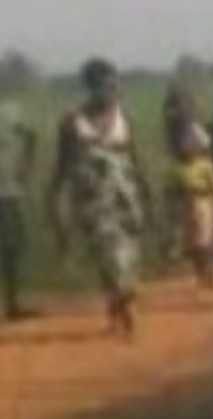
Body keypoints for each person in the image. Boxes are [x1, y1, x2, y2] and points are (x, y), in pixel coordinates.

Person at [48, 58, 154, 338]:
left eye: (115, 85)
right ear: (91, 87)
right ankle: (125, 303)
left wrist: (148, 197)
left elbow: (137, 160)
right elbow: (61, 167)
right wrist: (56, 205)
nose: (112, 91)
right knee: (109, 254)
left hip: (127, 199)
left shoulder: (124, 118)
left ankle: (118, 302)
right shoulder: (72, 123)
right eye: (106, 86)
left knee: (128, 255)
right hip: (93, 203)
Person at [166, 124, 213, 289]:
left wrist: (199, 189)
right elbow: (170, 189)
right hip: (185, 206)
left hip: (202, 204)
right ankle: (200, 271)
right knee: (191, 245)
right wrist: (177, 193)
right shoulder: (177, 169)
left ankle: (209, 269)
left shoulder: (205, 165)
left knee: (203, 240)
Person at [0, 99, 37, 321]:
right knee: (10, 248)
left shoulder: (9, 111)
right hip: (8, 190)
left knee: (12, 248)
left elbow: (31, 136)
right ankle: (12, 304)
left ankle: (12, 303)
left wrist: (24, 167)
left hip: (7, 190)